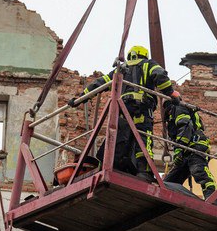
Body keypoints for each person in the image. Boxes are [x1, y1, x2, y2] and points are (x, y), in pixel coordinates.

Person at [72, 45, 179, 179]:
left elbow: (100, 83)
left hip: (123, 109)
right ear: (144, 55)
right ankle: (143, 171)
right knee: (143, 137)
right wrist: (171, 93)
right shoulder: (148, 64)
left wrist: (80, 98)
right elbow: (160, 75)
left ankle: (114, 165)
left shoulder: (121, 69)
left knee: (122, 137)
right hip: (142, 108)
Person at [163, 93, 216, 199]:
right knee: (169, 182)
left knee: (199, 171)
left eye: (167, 106)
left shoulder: (178, 107)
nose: (167, 110)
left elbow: (186, 127)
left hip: (195, 146)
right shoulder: (175, 112)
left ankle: (213, 198)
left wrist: (179, 150)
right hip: (186, 150)